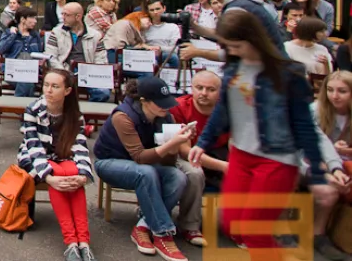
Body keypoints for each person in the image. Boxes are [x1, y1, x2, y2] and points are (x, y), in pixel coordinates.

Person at [189, 10, 338, 256]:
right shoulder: (233, 71)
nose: (232, 51)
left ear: (252, 40)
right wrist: (203, 142)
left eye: (236, 45)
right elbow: (223, 110)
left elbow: (304, 125)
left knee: (253, 230)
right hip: (241, 155)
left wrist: (320, 175)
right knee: (229, 222)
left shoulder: (289, 74)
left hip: (276, 159)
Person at [92, 76, 194, 261]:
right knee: (146, 172)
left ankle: (143, 225)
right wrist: (171, 144)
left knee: (178, 176)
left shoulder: (165, 117)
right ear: (143, 101)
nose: (165, 106)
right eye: (159, 103)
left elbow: (167, 163)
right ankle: (163, 233)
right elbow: (140, 157)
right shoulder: (123, 116)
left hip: (143, 166)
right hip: (109, 162)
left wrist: (175, 145)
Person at [17, 69, 95, 261]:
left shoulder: (75, 114)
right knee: (60, 176)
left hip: (62, 157)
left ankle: (83, 243)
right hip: (34, 158)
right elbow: (33, 148)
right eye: (46, 85)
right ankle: (71, 242)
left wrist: (83, 175)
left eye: (55, 86)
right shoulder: (32, 110)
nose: (48, 90)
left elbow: (80, 147)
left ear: (67, 91)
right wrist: (49, 178)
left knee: (73, 173)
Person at [187, 0, 287, 60]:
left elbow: (234, 53)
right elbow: (222, 35)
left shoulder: (238, 9)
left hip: (267, 73)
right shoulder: (241, 3)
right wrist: (194, 26)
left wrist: (197, 52)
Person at [312, 71, 352, 260]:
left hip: (340, 164)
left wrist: (345, 152)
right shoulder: (314, 110)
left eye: (342, 91)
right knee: (330, 191)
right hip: (309, 164)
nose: (334, 96)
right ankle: (318, 235)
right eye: (330, 90)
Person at [170, 71, 228, 192]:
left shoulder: (228, 110)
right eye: (199, 88)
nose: (204, 93)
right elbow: (185, 151)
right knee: (195, 173)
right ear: (192, 88)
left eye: (211, 89)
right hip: (189, 155)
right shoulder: (179, 107)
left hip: (218, 152)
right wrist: (224, 166)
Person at [44, 2, 110, 102]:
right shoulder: (56, 32)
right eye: (63, 14)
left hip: (87, 72)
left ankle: (83, 114)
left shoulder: (95, 35)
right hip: (64, 71)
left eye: (67, 15)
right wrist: (63, 72)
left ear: (78, 16)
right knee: (58, 90)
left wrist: (93, 72)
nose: (63, 17)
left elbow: (101, 59)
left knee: (103, 92)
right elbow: (51, 56)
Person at [0, 6, 43, 97]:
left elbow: (40, 54)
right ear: (23, 19)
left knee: (26, 79)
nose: (35, 21)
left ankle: (19, 106)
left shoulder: (35, 35)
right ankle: (27, 108)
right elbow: (1, 49)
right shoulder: (9, 33)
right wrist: (13, 36)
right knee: (27, 81)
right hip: (12, 70)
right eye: (33, 18)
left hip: (31, 71)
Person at [143, 0, 182, 66]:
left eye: (158, 9)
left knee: (173, 58)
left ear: (164, 8)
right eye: (152, 10)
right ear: (148, 11)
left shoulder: (173, 27)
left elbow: (175, 49)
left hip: (167, 57)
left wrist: (159, 48)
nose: (155, 12)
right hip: (148, 56)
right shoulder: (145, 27)